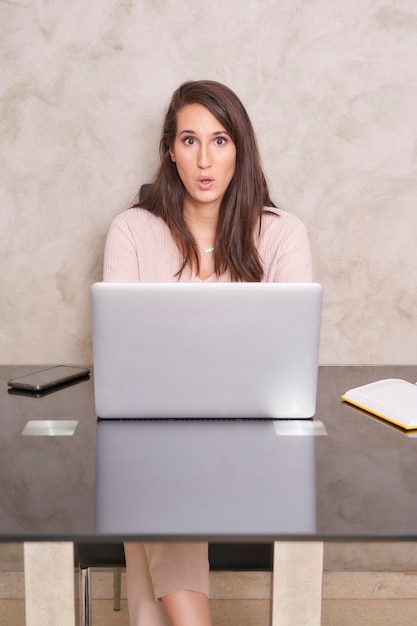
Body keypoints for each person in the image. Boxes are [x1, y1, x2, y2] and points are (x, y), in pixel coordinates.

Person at [103, 80, 312, 626]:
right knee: (159, 468)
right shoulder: (132, 231)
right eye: (189, 141)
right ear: (169, 150)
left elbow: (290, 359)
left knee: (150, 488)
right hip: (158, 440)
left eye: (219, 141)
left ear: (239, 149)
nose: (204, 158)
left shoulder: (282, 235)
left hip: (255, 443)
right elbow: (123, 360)